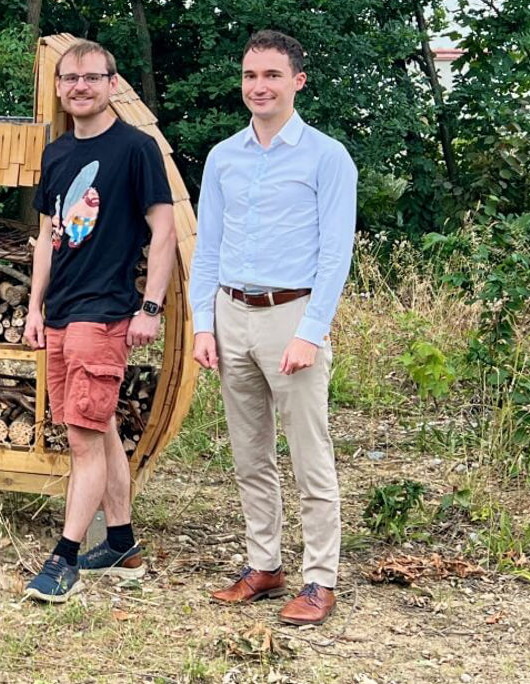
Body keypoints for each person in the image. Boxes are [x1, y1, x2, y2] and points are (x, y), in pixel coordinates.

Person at [190, 30, 357, 626]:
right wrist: (202, 325)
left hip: (293, 315)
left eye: (271, 76)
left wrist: (310, 332)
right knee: (249, 453)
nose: (258, 87)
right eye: (250, 76)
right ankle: (264, 564)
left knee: (310, 454)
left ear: (297, 82)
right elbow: (205, 247)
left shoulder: (326, 157)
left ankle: (319, 579)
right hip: (232, 316)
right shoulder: (223, 157)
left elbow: (335, 254)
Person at [21, 40, 176, 602]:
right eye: (69, 79)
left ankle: (63, 559)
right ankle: (121, 541)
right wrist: (35, 307)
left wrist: (150, 307)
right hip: (60, 313)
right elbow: (47, 237)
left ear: (114, 84)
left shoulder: (136, 149)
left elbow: (163, 231)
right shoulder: (58, 153)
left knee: (82, 438)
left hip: (104, 311)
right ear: (59, 88)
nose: (79, 86)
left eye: (91, 77)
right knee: (99, 426)